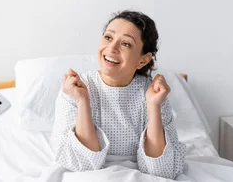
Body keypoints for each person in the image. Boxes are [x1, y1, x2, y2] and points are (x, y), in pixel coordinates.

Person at [50, 10, 186, 179]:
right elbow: (84, 165)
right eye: (108, 37)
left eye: (126, 44)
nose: (111, 48)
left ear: (142, 60)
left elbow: (161, 171)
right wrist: (83, 101)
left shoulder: (153, 95)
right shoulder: (75, 89)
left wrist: (153, 105)